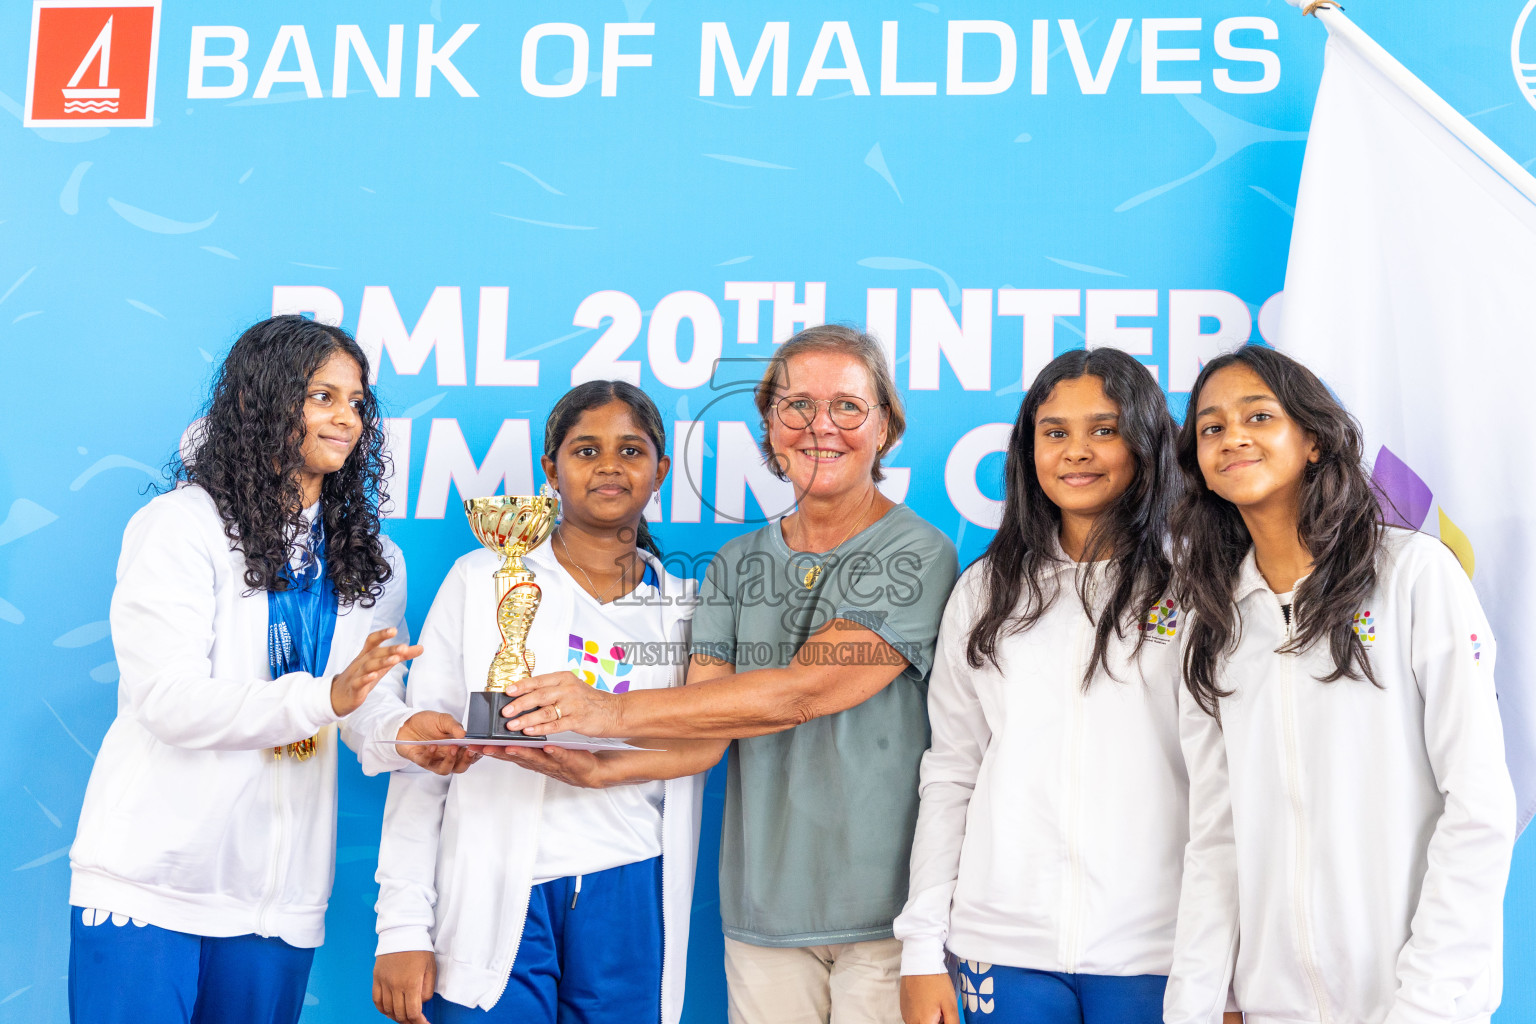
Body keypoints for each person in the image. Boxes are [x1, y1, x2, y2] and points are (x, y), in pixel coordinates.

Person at [501, 324, 959, 1024]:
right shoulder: (734, 565)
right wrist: (598, 769)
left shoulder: (918, 554)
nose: (819, 427)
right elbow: (703, 730)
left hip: (888, 920)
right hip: (761, 919)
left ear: (886, 427)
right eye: (796, 406)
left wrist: (604, 712)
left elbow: (805, 691)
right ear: (770, 428)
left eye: (847, 406)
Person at [67, 315, 470, 1024]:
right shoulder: (183, 526)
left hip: (277, 899)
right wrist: (327, 696)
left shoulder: (375, 561)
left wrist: (411, 735)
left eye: (356, 401)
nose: (346, 417)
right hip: (151, 879)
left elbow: (363, 708)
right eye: (323, 396)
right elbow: (169, 701)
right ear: (261, 401)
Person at [1162, 345, 1516, 1024]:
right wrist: (1198, 1006)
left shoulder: (1413, 576)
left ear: (1314, 440)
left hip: (1416, 1006)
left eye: (1258, 416)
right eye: (1211, 427)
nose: (1232, 436)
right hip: (1276, 1008)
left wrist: (1426, 1004)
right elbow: (1216, 837)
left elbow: (1476, 807)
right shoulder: (1211, 622)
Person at [371, 380, 713, 1024]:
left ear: (661, 470)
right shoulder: (483, 580)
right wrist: (403, 928)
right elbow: (426, 758)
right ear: (549, 470)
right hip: (494, 890)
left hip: (629, 886)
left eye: (631, 451)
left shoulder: (688, 607)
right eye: (585, 451)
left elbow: (701, 745)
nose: (609, 466)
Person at [893, 347, 1188, 1024]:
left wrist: (1225, 962)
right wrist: (921, 949)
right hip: (1003, 945)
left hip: (1158, 951)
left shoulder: (1195, 589)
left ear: (1145, 443)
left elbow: (1223, 786)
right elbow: (952, 771)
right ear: (1029, 451)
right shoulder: (987, 590)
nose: (1076, 452)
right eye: (1054, 432)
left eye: (1103, 430)